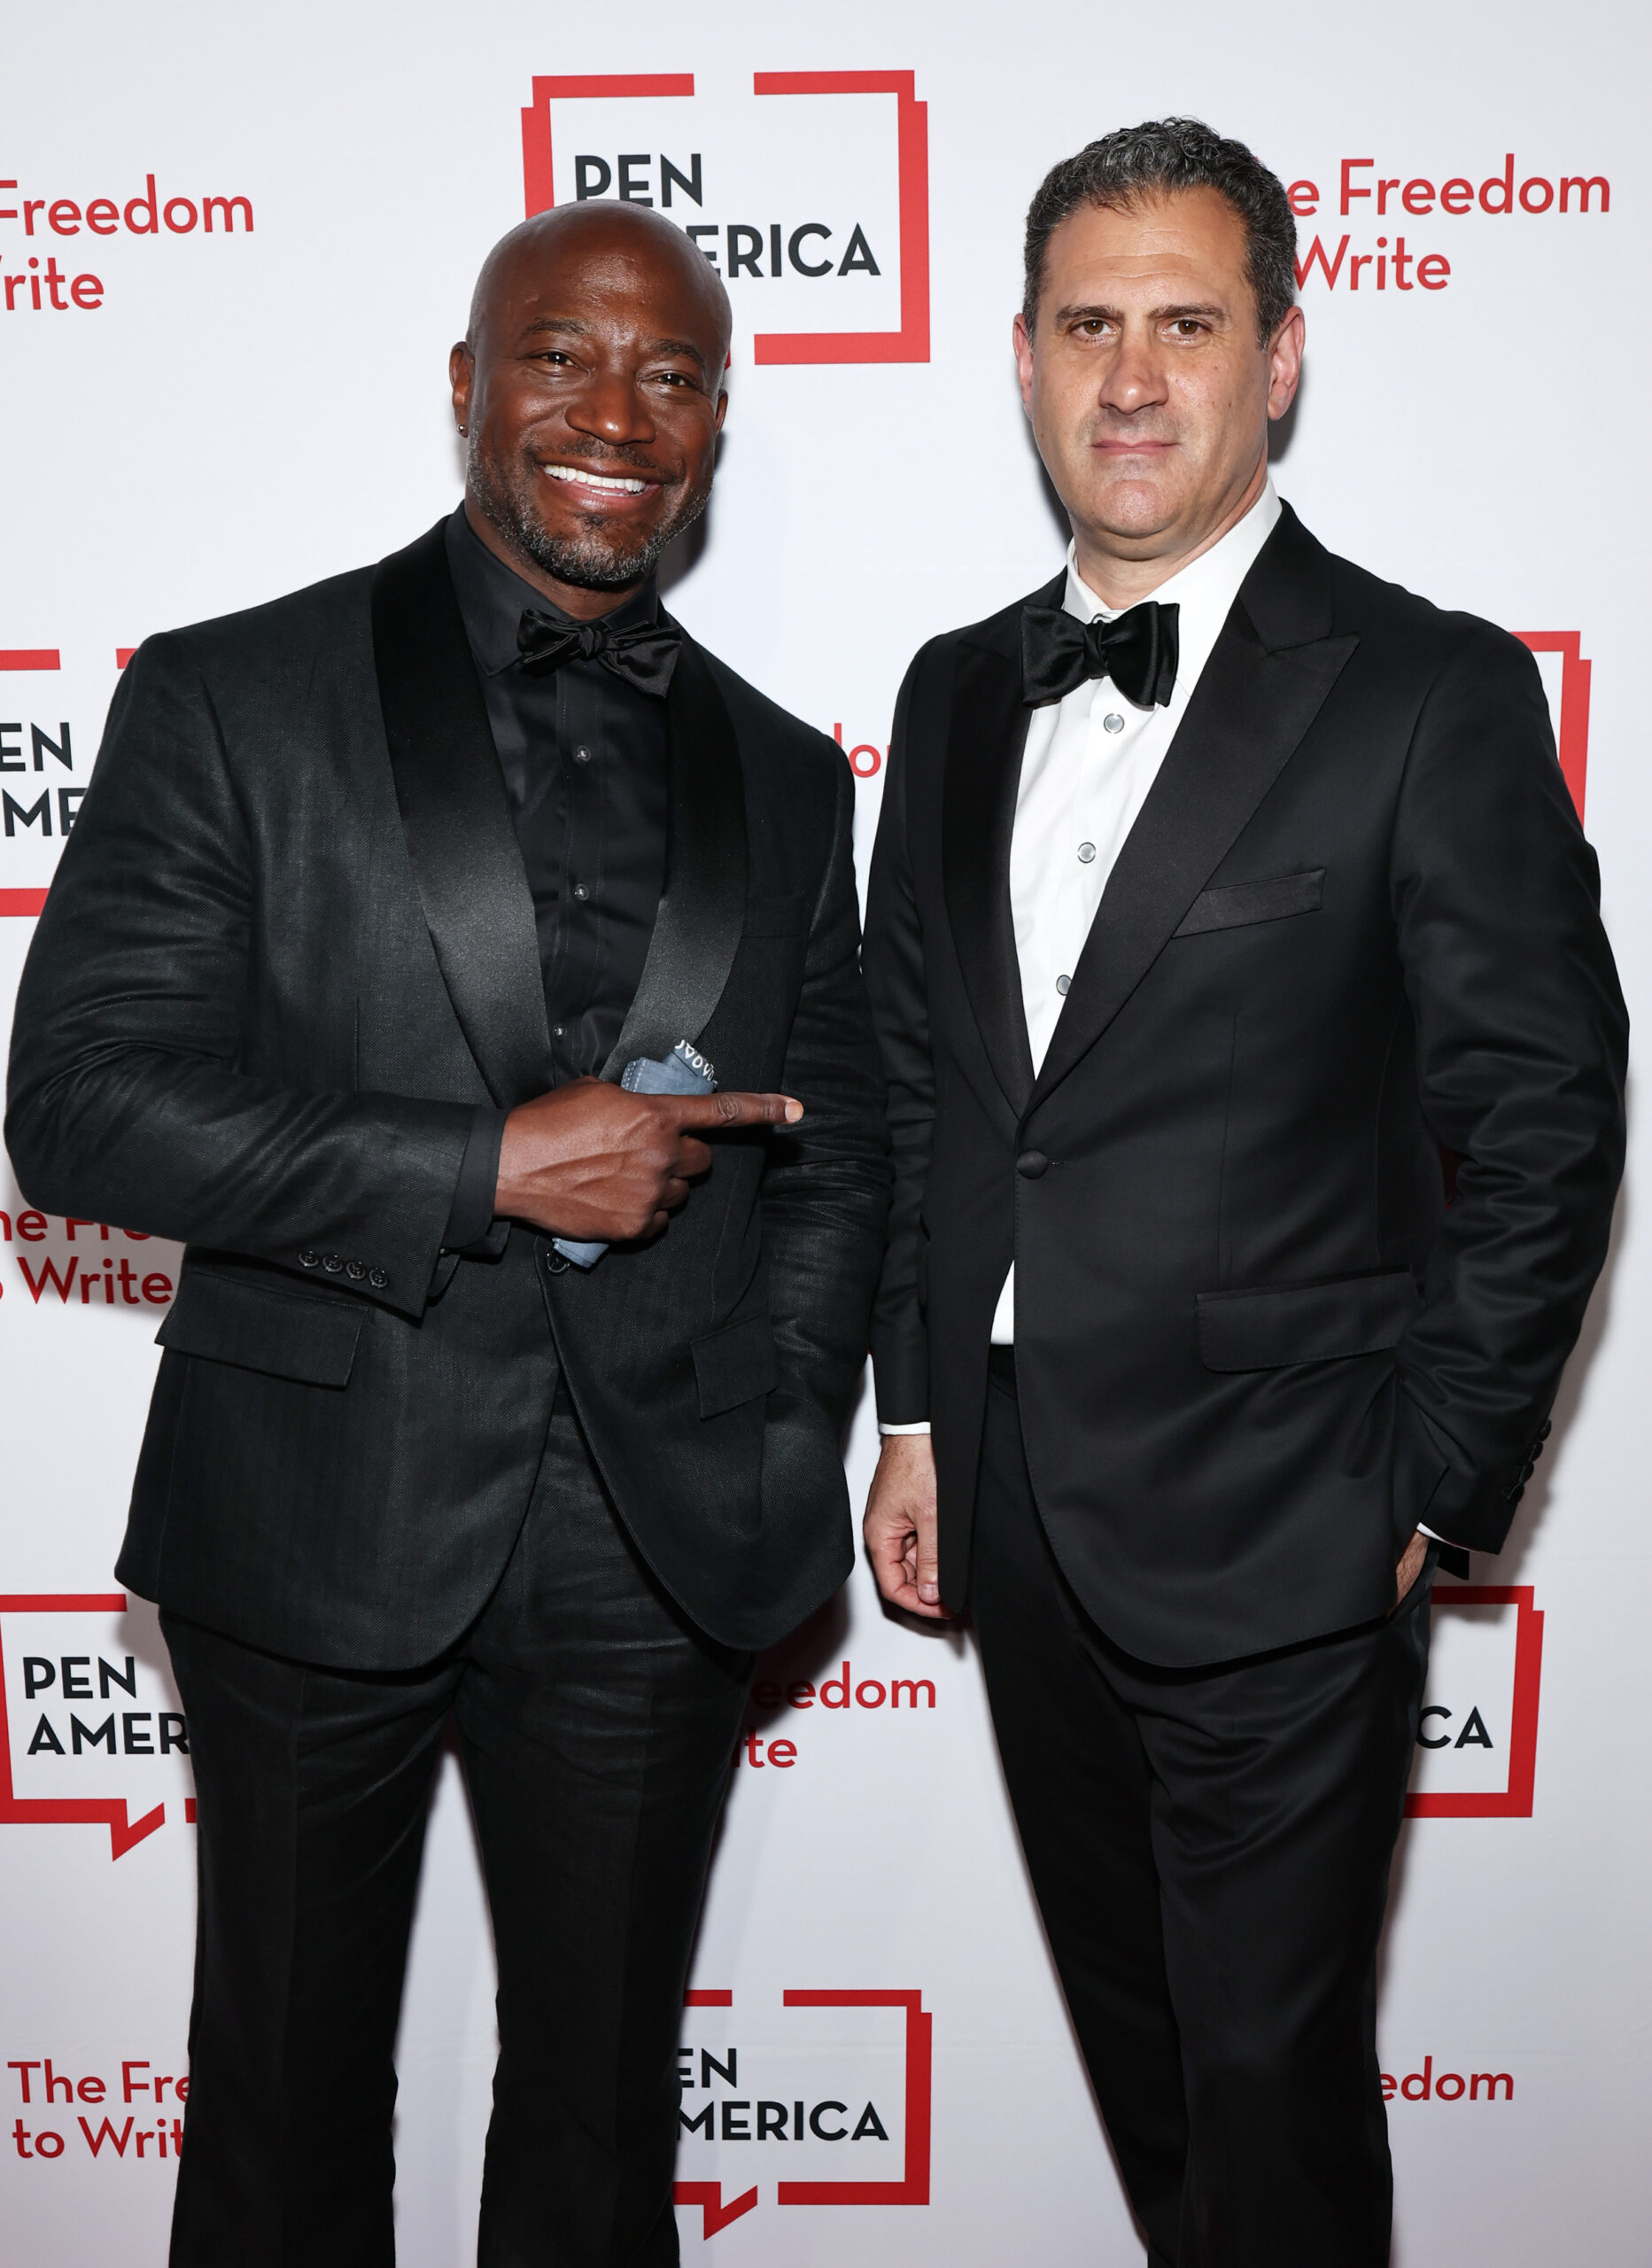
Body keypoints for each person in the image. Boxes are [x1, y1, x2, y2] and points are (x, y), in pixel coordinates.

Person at [6, 200, 888, 2266]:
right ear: (469, 387)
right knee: (283, 2123)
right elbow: (75, 1106)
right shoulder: (235, 694)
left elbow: (838, 1139)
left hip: (657, 1533)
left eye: (671, 374)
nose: (615, 411)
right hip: (311, 1492)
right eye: (563, 354)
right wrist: (482, 1162)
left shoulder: (782, 766)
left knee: (597, 2146)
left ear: (717, 425)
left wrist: (782, 1434)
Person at [861, 118, 1625, 2265]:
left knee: (1276, 2125)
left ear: (1279, 357)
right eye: (1089, 327)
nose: (1132, 378)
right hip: (1014, 1505)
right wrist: (920, 1414)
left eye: (1186, 324)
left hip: (1300, 1520)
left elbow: (1549, 1105)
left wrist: (1438, 1476)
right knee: (1151, 2098)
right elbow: (928, 1086)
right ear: (1018, 358)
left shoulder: (1423, 687)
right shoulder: (947, 692)